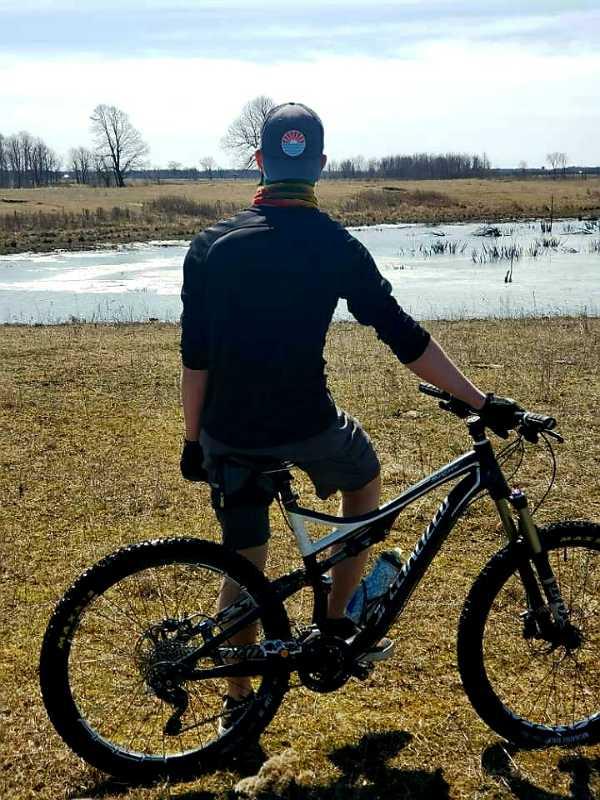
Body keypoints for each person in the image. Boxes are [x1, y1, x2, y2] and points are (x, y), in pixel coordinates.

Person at [179, 101, 519, 730]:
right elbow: (403, 336)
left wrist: (193, 439)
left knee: (244, 564)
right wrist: (478, 400)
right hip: (307, 424)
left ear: (259, 162)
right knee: (363, 478)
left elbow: (195, 357)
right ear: (320, 166)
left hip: (228, 428)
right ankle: (336, 618)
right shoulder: (336, 245)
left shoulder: (210, 246)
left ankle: (237, 710)